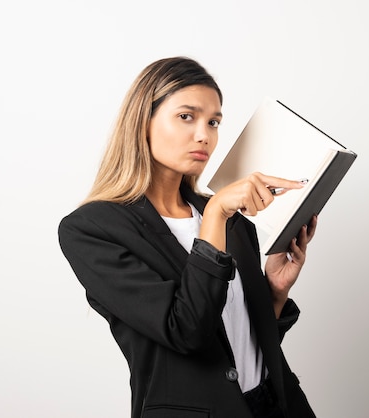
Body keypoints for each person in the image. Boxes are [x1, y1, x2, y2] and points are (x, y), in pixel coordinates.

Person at [58, 56, 318, 418]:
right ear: (142, 123)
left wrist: (273, 293)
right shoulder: (92, 229)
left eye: (214, 122)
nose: (204, 135)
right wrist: (215, 215)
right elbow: (186, 332)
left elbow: (241, 343)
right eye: (186, 116)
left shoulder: (230, 218)